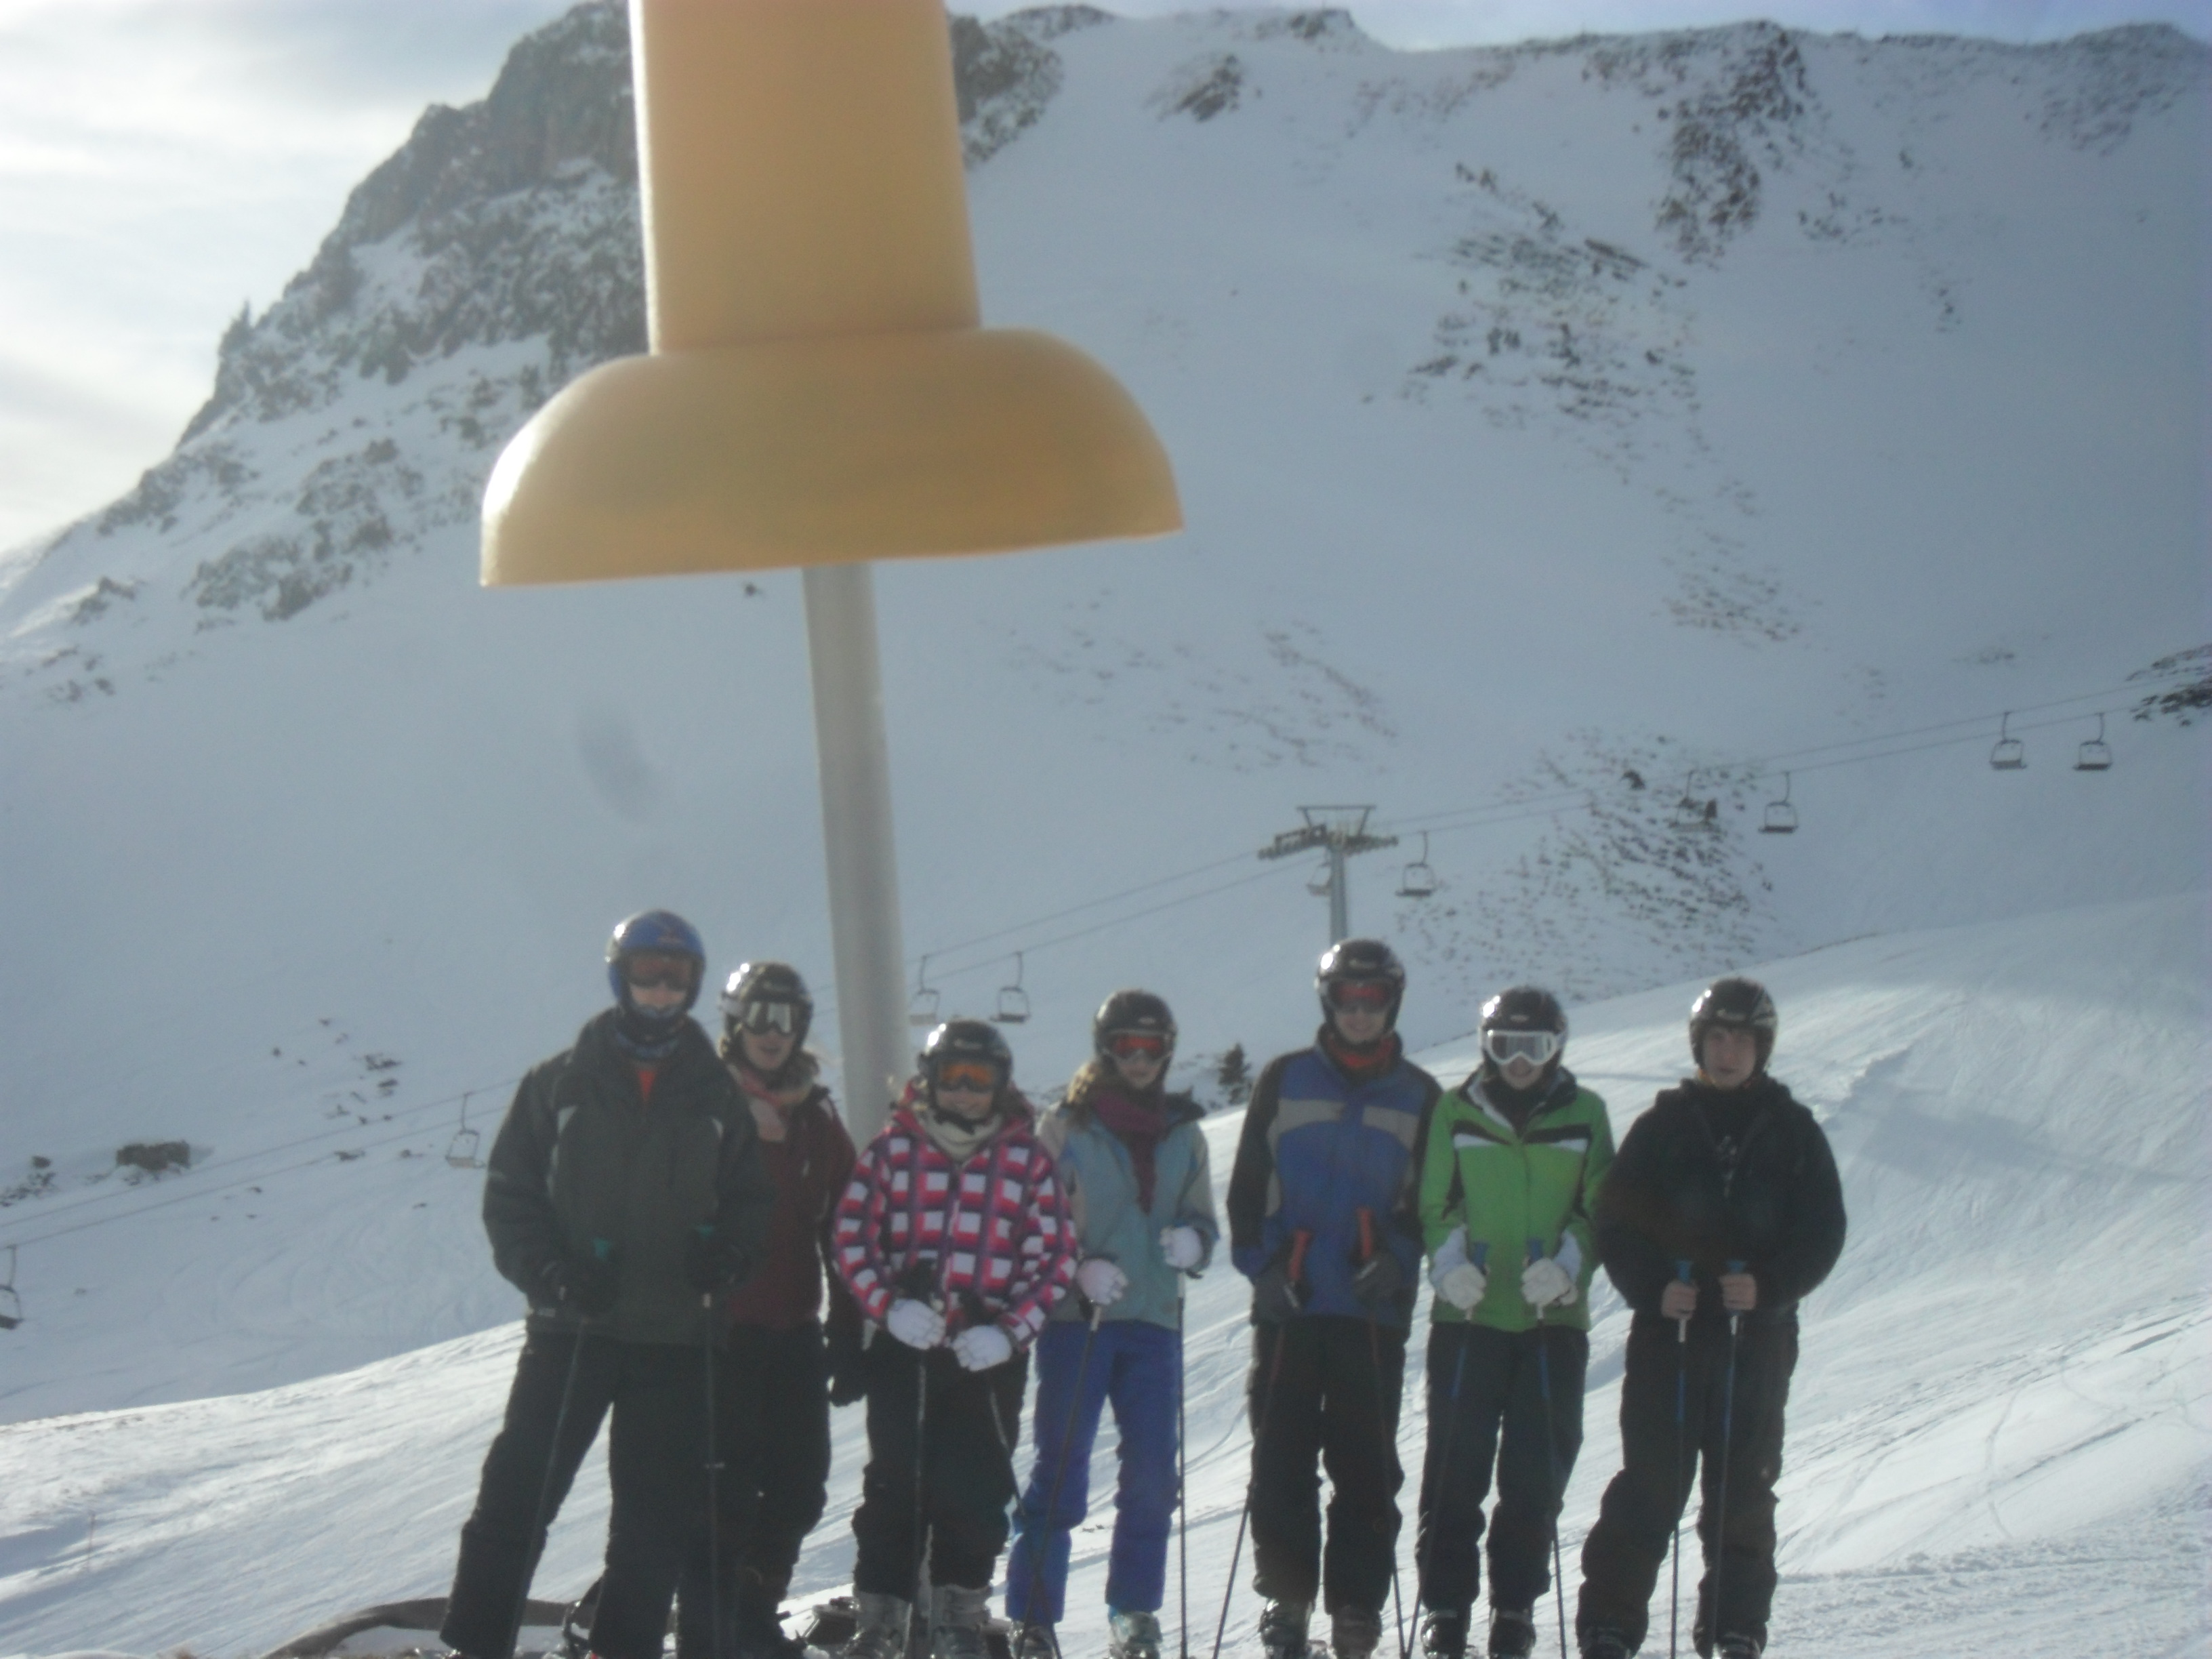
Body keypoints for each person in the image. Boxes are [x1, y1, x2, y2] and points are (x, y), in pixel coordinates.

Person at [438, 911, 774, 1659]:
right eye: (647, 975)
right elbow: (511, 1200)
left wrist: (726, 1260)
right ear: (620, 979)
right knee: (517, 1496)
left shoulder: (715, 1095)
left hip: (676, 1337)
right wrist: (553, 1275)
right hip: (573, 1328)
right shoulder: (560, 1083)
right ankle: (475, 1646)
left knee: (652, 1526)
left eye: (677, 978)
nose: (662, 992)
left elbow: (751, 1204)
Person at [1574, 978, 1847, 1659]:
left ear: (1763, 1048)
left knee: (1744, 1489)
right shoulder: (1662, 1126)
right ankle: (1609, 1629)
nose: (1728, 1051)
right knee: (1650, 1487)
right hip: (1669, 1337)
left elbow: (1823, 1232)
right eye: (1717, 1038)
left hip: (1757, 1340)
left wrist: (1770, 1286)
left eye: (1742, 1039)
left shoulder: (1793, 1131)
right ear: (1699, 1045)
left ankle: (1735, 1630)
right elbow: (1616, 1222)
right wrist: (1653, 1288)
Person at [833, 1019, 1078, 1659]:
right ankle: (880, 1620)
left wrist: (1010, 1331)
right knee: (896, 1484)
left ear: (1000, 1085)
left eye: (979, 1079)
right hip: (907, 1350)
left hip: (984, 1356)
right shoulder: (894, 1150)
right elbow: (852, 1236)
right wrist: (888, 1307)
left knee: (975, 1489)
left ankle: (959, 1618)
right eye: (953, 1078)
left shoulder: (1025, 1159)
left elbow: (1054, 1257)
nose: (965, 1093)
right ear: (931, 1080)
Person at [1225, 940, 1442, 1659]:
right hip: (1291, 1305)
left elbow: (1431, 1202)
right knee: (1281, 1462)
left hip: (1368, 1310)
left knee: (1366, 1466)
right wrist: (1264, 1270)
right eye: (1347, 999)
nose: (1359, 1012)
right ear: (1329, 1003)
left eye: (1372, 1000)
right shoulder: (1286, 1080)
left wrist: (1399, 1260)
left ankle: (1357, 1608)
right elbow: (1249, 1188)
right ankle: (1287, 1601)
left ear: (1391, 1004)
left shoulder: (1419, 1094)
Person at [1005, 990, 1220, 1659]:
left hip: (1152, 1320)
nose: (1139, 1059)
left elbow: (1201, 1218)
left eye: (1152, 1047)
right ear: (1105, 1050)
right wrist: (1075, 1270)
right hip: (1081, 1321)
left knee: (1153, 1473)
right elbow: (1031, 1223)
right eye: (1127, 1046)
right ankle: (1034, 1617)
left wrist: (1195, 1242)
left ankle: (1134, 1611)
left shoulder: (1183, 1133)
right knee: (1063, 1467)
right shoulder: (1066, 1128)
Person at [1412, 988, 1614, 1659]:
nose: (1519, 1062)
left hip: (1551, 1321)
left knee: (1534, 1475)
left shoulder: (1586, 1114)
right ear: (1486, 1047)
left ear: (1557, 1048)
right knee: (1455, 1467)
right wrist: (1449, 1263)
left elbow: (1598, 1205)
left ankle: (1515, 1608)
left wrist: (1569, 1266)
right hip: (1470, 1315)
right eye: (1505, 1046)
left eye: (1535, 1047)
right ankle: (1446, 1609)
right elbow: (1437, 1201)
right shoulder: (1457, 1110)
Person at [672, 961, 862, 1659]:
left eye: (786, 1018)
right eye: (759, 1016)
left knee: (800, 1486)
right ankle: (711, 1635)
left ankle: (750, 1614)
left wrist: (849, 1326)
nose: (772, 1033)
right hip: (718, 1331)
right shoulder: (703, 1105)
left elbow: (845, 1225)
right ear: (735, 1022)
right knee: (722, 1491)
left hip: (792, 1329)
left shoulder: (814, 1117)